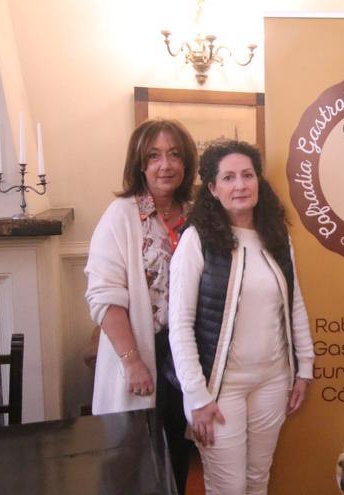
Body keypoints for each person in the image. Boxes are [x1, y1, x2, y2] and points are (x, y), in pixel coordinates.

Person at [168, 140, 314, 494]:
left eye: (248, 175)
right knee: (228, 487)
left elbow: (294, 304)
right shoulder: (196, 240)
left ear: (259, 182)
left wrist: (305, 366)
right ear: (213, 189)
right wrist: (196, 396)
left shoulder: (277, 238)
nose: (240, 185)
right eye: (229, 177)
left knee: (257, 481)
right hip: (220, 390)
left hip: (273, 382)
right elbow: (180, 325)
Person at [85, 119, 197, 493]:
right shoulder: (121, 215)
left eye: (174, 155)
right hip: (141, 351)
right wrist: (132, 361)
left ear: (186, 163)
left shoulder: (198, 214)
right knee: (133, 464)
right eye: (154, 156)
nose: (165, 165)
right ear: (140, 164)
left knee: (180, 456)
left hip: (186, 356)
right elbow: (104, 296)